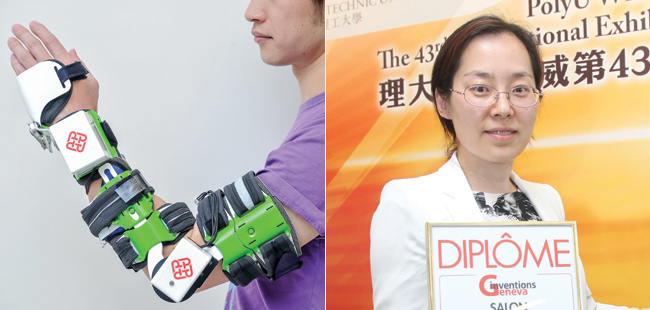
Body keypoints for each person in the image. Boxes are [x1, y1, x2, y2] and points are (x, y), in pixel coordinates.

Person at [7, 0, 324, 309]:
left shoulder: (331, 136)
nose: (251, 12)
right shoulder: (327, 125)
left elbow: (173, 271)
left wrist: (74, 125)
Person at [370, 15, 645, 310]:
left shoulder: (547, 198)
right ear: (443, 101)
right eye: (480, 89)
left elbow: (580, 304)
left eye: (519, 89)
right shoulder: (408, 202)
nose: (503, 108)